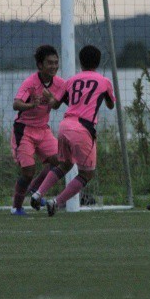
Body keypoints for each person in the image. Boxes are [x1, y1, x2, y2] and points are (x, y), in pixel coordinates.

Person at [30, 45, 115, 216]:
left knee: (66, 164)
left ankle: (38, 193)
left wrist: (49, 97)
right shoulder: (104, 82)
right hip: (83, 128)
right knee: (86, 174)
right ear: (98, 62)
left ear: (80, 62)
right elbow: (111, 105)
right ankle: (56, 202)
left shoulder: (71, 81)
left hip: (65, 126)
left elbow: (55, 105)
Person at [9, 45, 66, 216]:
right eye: (50, 63)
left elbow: (70, 98)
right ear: (40, 65)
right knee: (28, 172)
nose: (54, 66)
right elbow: (16, 104)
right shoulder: (30, 83)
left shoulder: (60, 83)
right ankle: (16, 207)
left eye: (56, 63)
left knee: (61, 161)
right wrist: (31, 105)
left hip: (43, 130)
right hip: (24, 130)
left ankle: (35, 188)